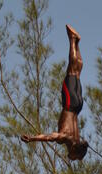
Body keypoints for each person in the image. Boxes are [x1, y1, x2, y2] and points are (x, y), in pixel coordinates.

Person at [21, 24, 88, 161]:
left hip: (78, 106)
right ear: (74, 149)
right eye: (74, 157)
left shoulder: (77, 138)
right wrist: (33, 138)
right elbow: (50, 137)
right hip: (69, 103)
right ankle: (72, 40)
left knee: (76, 73)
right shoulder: (66, 138)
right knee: (71, 71)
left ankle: (77, 43)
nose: (71, 158)